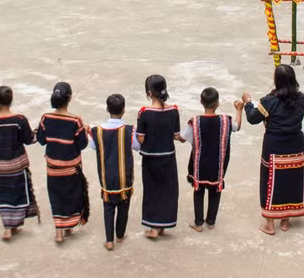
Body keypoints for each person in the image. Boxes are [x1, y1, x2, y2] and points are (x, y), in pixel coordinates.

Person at [243, 65, 304, 235]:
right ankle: (285, 221)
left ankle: (270, 224)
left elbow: (252, 118)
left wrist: (247, 102)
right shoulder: (303, 99)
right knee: (291, 180)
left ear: (276, 80)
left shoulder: (269, 101)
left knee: (269, 181)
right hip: (295, 145)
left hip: (274, 146)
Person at [0, 86, 40, 241]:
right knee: (18, 194)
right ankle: (14, 224)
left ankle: (8, 227)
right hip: (16, 165)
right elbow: (29, 139)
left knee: (2, 195)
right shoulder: (19, 120)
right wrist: (39, 131)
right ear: (11, 100)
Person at [36, 81, 90, 243]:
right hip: (71, 167)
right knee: (72, 195)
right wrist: (85, 131)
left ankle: (58, 231)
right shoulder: (75, 121)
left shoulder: (46, 118)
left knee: (56, 196)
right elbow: (82, 144)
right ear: (70, 98)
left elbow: (41, 140)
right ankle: (68, 226)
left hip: (53, 166)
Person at [183, 88, 243, 233]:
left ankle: (198, 223)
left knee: (198, 192)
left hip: (199, 165)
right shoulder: (226, 120)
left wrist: (172, 134)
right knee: (215, 191)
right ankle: (211, 221)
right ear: (217, 103)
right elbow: (237, 127)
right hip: (218, 165)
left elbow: (183, 138)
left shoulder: (195, 121)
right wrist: (239, 110)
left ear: (201, 102)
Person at [89, 93, 140, 251]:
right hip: (125, 176)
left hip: (106, 176)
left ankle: (109, 240)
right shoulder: (129, 130)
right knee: (124, 206)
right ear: (123, 110)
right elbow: (137, 147)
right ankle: (120, 235)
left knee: (108, 207)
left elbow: (92, 146)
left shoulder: (97, 131)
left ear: (107, 109)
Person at [136, 75, 184, 239]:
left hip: (150, 159)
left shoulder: (144, 113)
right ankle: (163, 224)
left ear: (149, 93)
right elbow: (176, 135)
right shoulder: (174, 111)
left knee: (152, 191)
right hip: (168, 157)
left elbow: (140, 138)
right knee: (168, 191)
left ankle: (154, 228)